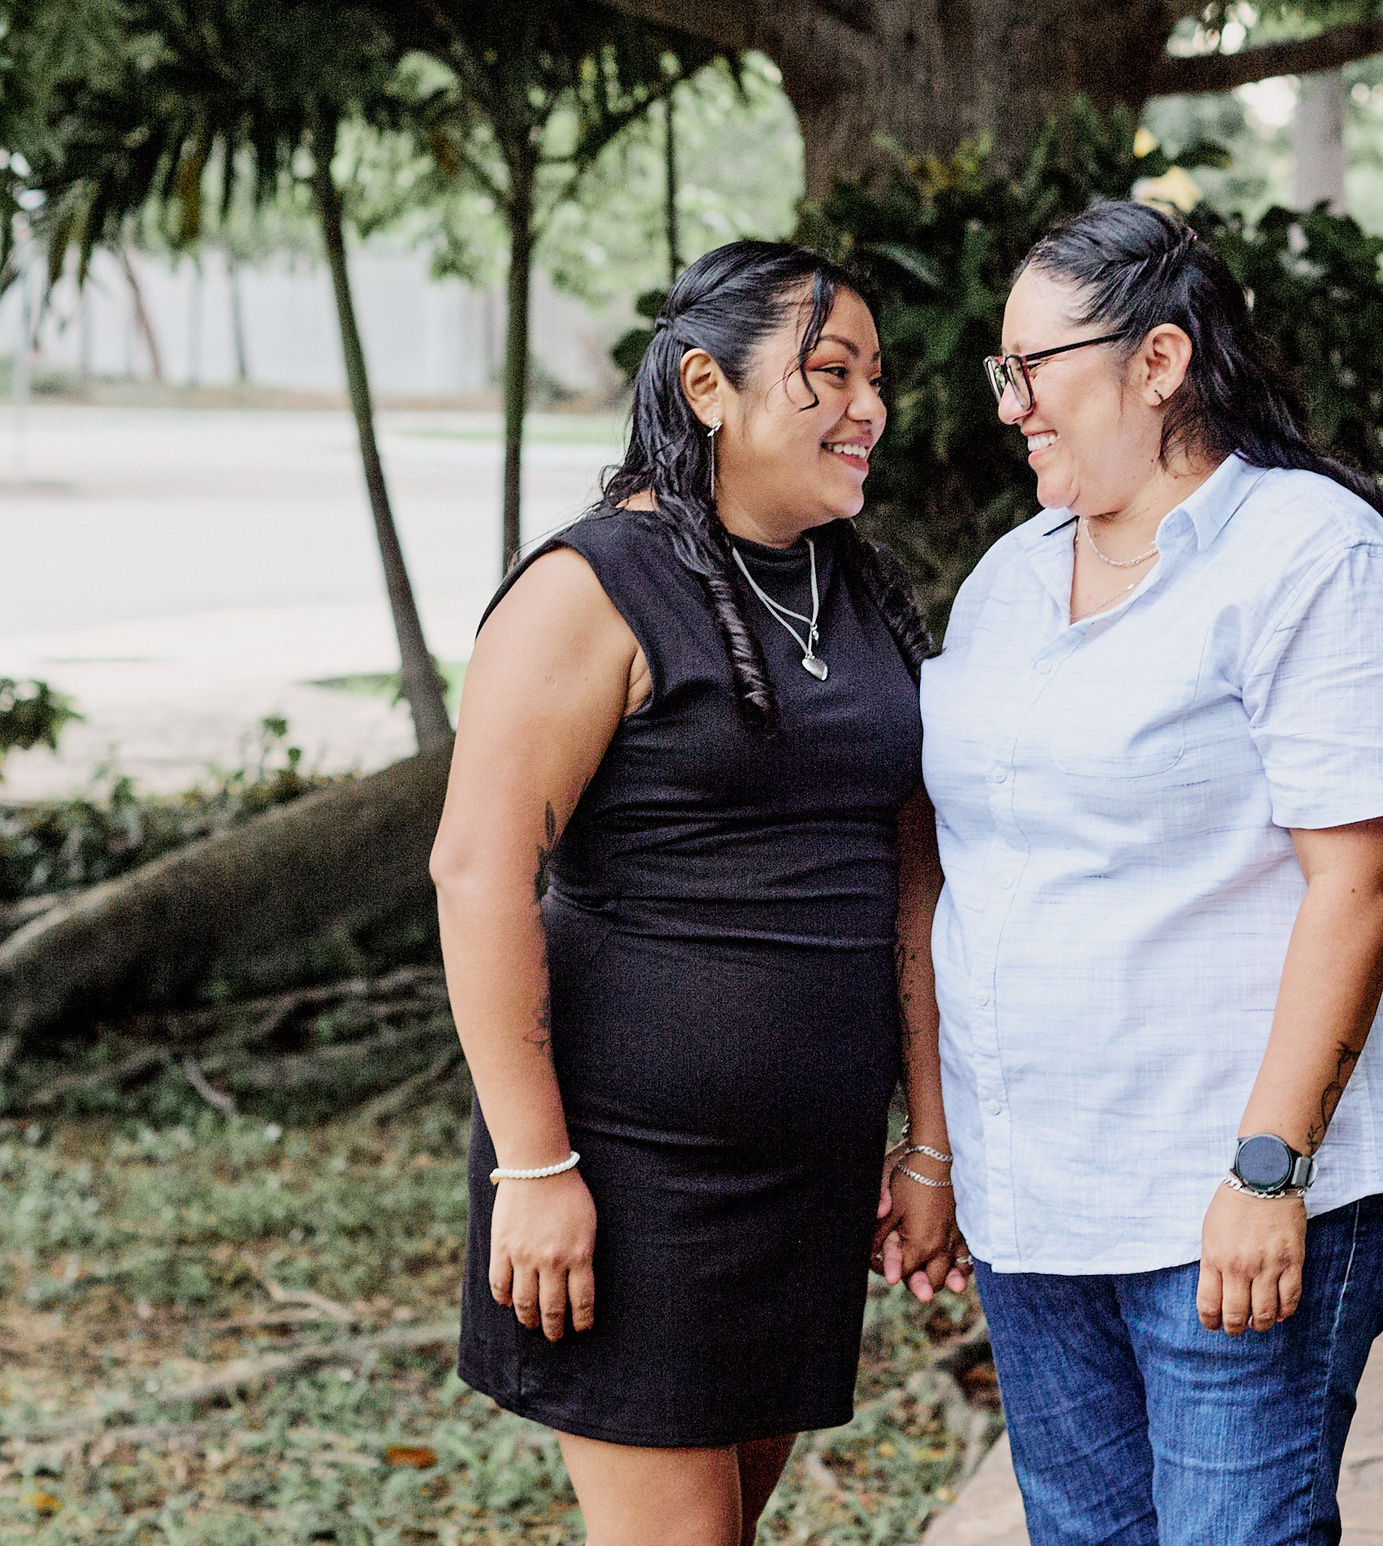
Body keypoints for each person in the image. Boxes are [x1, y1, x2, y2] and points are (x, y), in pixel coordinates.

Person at [921, 201, 1383, 1544]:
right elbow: (956, 871)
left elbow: (1366, 880)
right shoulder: (1007, 579)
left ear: (1159, 361)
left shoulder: (1312, 556)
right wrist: (940, 1147)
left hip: (1221, 1200)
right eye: (1005, 375)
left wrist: (1269, 1170)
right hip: (1038, 1199)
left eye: (1033, 370)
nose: (1013, 408)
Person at [431, 240, 967, 1546]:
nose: (868, 408)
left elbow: (914, 879)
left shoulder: (855, 590)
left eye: (877, 379)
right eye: (826, 374)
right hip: (632, 1178)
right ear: (707, 387)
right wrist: (535, 1164)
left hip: (811, 1176)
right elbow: (477, 869)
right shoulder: (591, 588)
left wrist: (931, 1138)